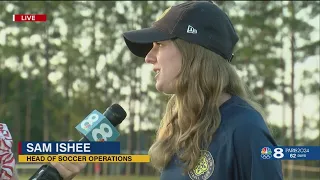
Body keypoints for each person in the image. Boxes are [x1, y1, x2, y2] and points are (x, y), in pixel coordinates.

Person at [53, 1, 284, 179]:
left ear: (194, 52)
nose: (148, 58)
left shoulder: (245, 129)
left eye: (160, 45)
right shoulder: (178, 128)